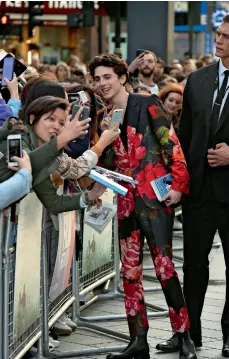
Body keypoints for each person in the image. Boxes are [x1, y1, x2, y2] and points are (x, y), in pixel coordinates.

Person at [89, 53, 196, 359]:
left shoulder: (146, 102)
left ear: (122, 77)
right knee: (130, 272)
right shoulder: (104, 118)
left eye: (107, 77)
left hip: (155, 196)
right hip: (124, 201)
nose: (102, 84)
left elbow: (170, 142)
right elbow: (108, 162)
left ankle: (182, 334)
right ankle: (139, 339)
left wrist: (177, 185)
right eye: (97, 79)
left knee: (165, 268)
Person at [156, 14, 229, 358]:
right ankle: (188, 334)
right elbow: (182, 137)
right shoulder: (197, 80)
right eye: (219, 33)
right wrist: (176, 180)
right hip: (198, 192)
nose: (219, 40)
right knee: (192, 266)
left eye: (226, 36)